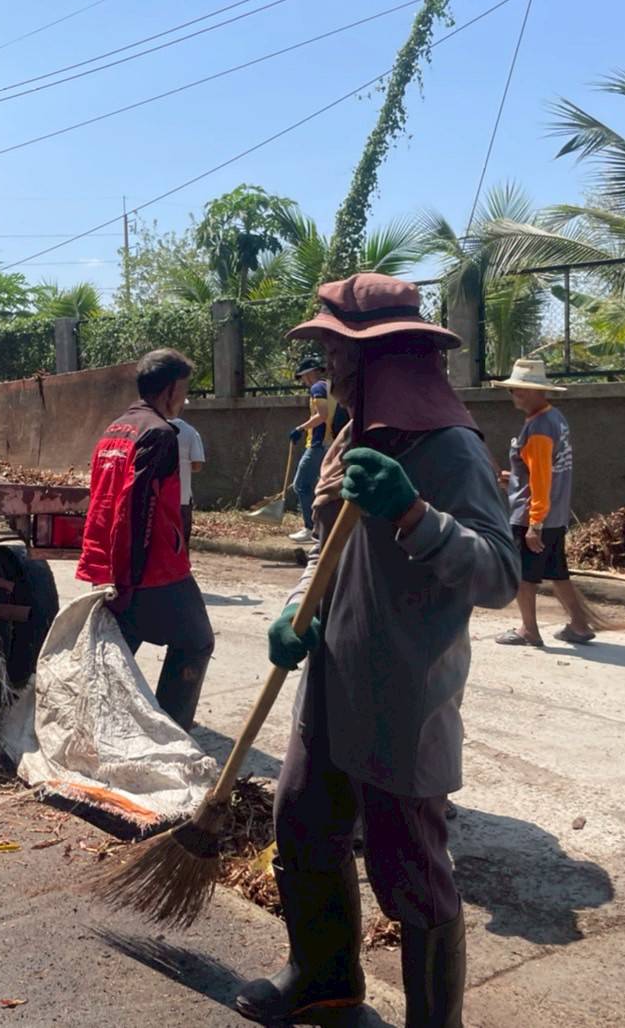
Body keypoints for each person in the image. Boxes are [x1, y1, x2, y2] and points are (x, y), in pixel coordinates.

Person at [236, 273, 518, 1028]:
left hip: (405, 692)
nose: (326, 364)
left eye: (337, 349)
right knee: (303, 823)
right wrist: (296, 609)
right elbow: (324, 552)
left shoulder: (450, 448)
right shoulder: (348, 438)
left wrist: (414, 513)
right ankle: (323, 978)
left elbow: (499, 573)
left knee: (408, 868)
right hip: (332, 675)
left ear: (383, 356)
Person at [75, 349, 215, 730]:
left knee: (120, 649)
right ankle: (170, 731)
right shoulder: (160, 434)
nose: (184, 400)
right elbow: (136, 513)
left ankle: (101, 727)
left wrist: (117, 576)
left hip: (110, 563)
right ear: (169, 390)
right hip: (152, 570)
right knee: (197, 641)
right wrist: (129, 581)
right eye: (184, 390)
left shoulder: (114, 430)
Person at [491, 359, 597, 647]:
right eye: (513, 389)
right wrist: (514, 479)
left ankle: (529, 630)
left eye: (521, 389)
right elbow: (540, 470)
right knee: (556, 572)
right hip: (555, 514)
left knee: (523, 576)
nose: (515, 394)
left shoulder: (539, 428)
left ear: (538, 391)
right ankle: (579, 625)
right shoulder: (554, 418)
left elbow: (541, 478)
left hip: (532, 516)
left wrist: (534, 522)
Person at [287, 354, 332, 544]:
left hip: (318, 444)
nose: (303, 381)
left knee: (301, 484)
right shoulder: (330, 386)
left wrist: (300, 428)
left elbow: (322, 415)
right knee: (324, 487)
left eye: (302, 377)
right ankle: (322, 528)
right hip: (332, 443)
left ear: (309, 374)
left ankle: (310, 528)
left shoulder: (317, 388)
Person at [169, 414, 205, 547]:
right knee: (182, 541)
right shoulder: (190, 432)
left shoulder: (153, 428)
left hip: (157, 497)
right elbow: (197, 466)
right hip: (182, 496)